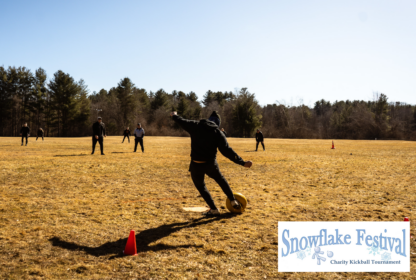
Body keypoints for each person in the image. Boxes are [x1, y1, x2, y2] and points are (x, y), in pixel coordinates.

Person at [171, 110, 253, 216]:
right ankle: (233, 200)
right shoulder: (218, 133)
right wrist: (242, 163)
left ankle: (214, 209)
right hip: (211, 164)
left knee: (201, 187)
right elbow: (227, 151)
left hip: (196, 165)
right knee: (220, 180)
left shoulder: (195, 125)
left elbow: (181, 121)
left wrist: (174, 115)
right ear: (218, 123)